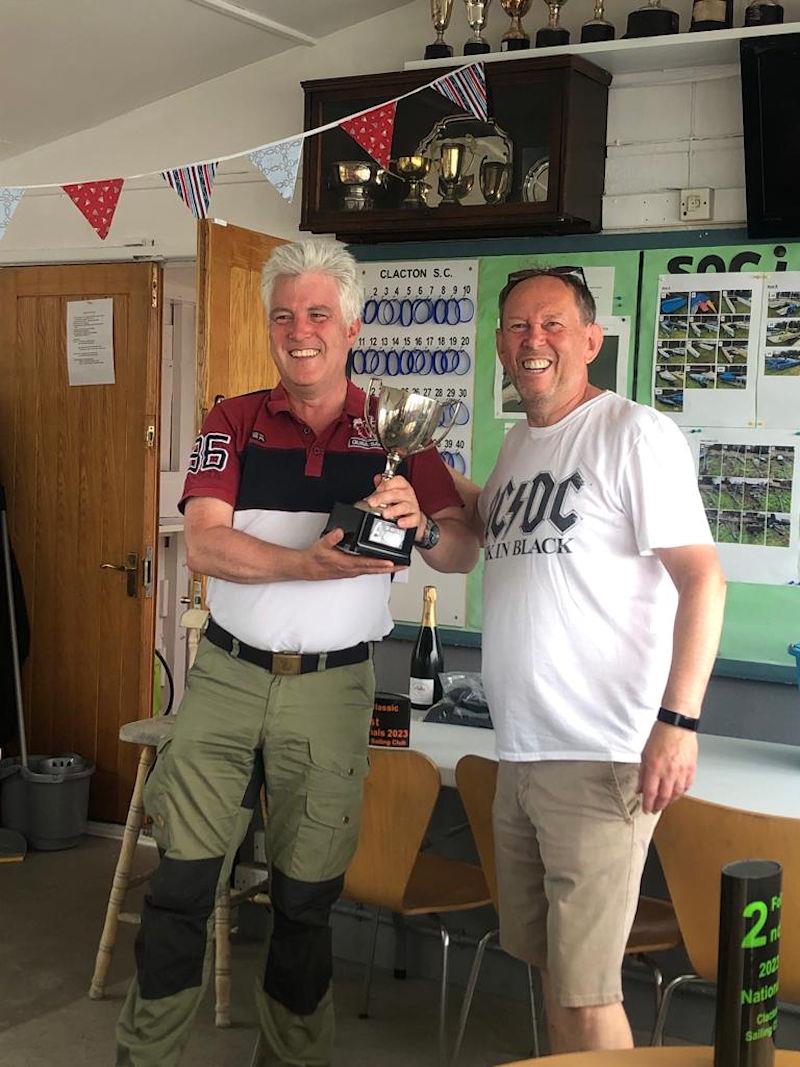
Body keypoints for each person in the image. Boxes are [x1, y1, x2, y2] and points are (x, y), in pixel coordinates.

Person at [116, 238, 479, 1067]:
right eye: (284, 315)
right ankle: (141, 1058)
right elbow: (204, 547)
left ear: (351, 326)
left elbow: (459, 550)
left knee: (307, 901)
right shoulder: (233, 419)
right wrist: (305, 563)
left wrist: (424, 523)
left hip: (334, 687)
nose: (299, 330)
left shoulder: (397, 430)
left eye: (318, 314)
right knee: (178, 889)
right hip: (227, 678)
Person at [454, 266, 726, 1054]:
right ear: (501, 344)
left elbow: (702, 578)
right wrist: (425, 488)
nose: (531, 341)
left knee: (587, 992)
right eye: (515, 327)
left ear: (591, 341)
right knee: (551, 975)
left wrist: (678, 721)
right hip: (523, 753)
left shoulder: (632, 432)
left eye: (551, 325)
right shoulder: (516, 445)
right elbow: (473, 537)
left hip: (601, 756)